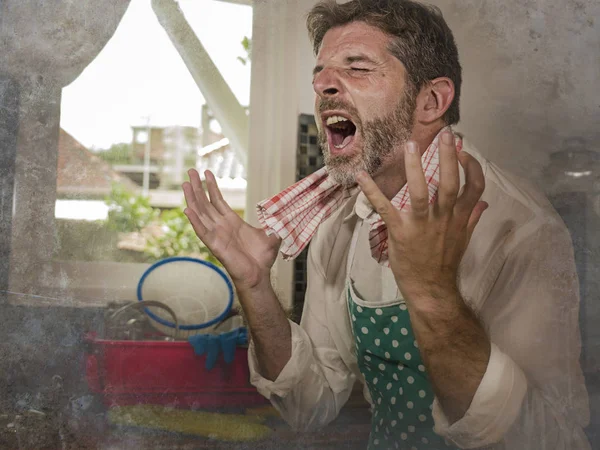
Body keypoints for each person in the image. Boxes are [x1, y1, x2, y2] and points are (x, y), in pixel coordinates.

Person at [182, 0, 590, 448]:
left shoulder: (521, 228)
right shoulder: (338, 221)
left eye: (357, 67)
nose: (321, 86)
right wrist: (256, 286)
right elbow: (309, 404)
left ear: (431, 100)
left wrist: (432, 293)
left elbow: (551, 438)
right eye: (320, 74)